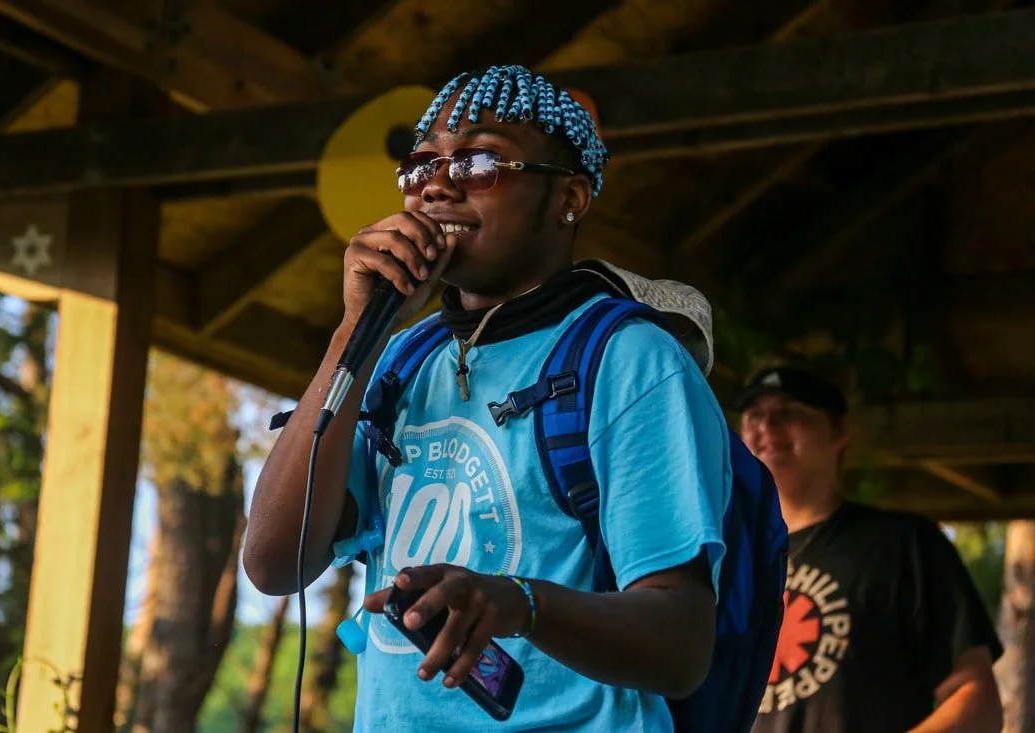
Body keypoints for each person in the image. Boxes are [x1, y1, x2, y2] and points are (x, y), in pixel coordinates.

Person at [243, 64, 733, 731]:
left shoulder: (631, 360)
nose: (439, 184)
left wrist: (520, 602)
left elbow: (681, 642)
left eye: (480, 161)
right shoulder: (397, 359)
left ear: (569, 198)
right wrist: (353, 334)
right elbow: (275, 561)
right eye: (422, 166)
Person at [734, 366, 1004, 733]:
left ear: (840, 432)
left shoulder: (905, 545)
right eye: (755, 415)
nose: (767, 427)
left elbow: (976, 700)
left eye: (790, 413)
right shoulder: (721, 557)